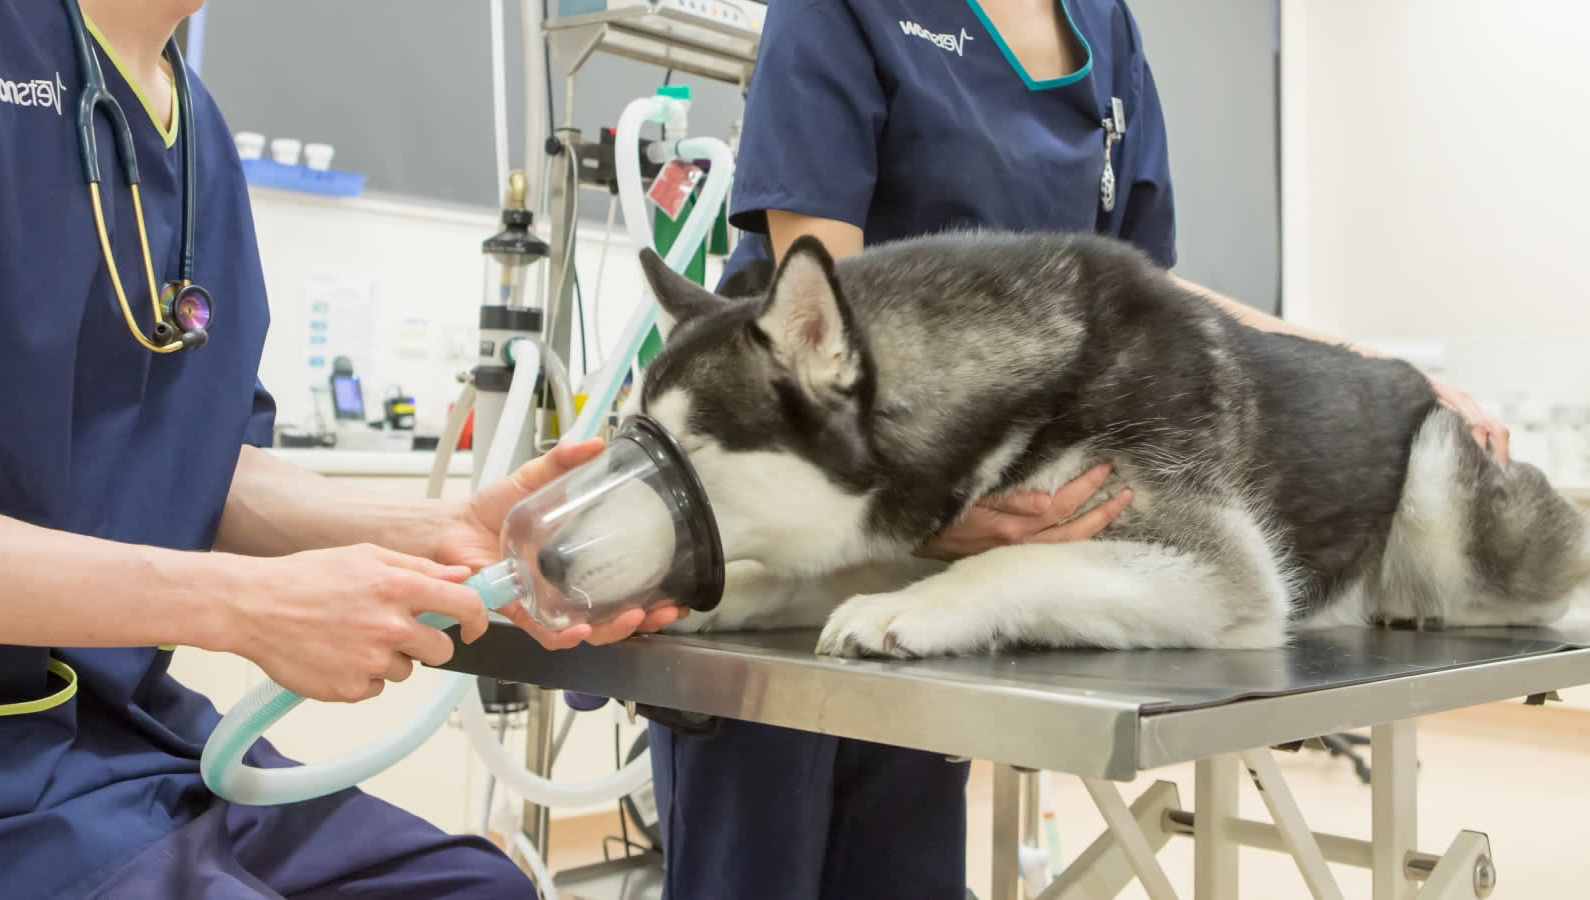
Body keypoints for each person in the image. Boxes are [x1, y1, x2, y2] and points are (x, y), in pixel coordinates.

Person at [0, 1, 684, 897]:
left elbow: (194, 464)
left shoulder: (196, 135)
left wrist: (439, 529)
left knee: (481, 887)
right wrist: (236, 606)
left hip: (135, 749)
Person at [646, 0, 1511, 897]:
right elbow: (810, 332)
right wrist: (928, 517)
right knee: (758, 864)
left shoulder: (1103, 23)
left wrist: (1366, 367)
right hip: (791, 494)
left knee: (899, 868)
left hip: (960, 520)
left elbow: (1152, 293)